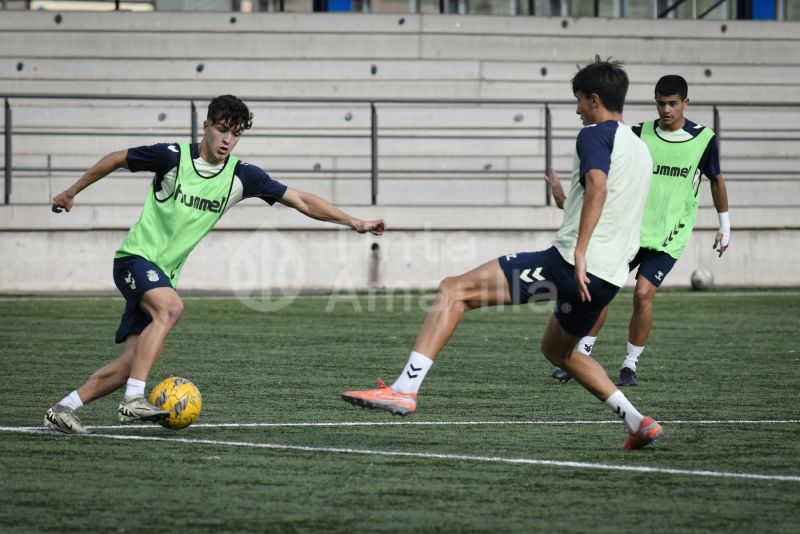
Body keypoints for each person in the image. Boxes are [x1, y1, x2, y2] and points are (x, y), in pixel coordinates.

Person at [342, 57, 663, 450]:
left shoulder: (595, 135)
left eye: (578, 100)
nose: (576, 109)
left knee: (453, 290)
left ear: (594, 99)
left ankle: (404, 389)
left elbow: (598, 189)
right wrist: (567, 201)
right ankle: (637, 421)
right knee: (557, 351)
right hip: (609, 279)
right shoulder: (641, 149)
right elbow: (611, 206)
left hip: (570, 265)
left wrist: (578, 252)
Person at [45, 94, 385, 435]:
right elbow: (118, 158)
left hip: (163, 274)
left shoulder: (241, 176)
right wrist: (72, 191)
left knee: (131, 364)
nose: (227, 140)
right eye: (222, 130)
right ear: (205, 126)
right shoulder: (172, 156)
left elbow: (301, 200)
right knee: (171, 310)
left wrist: (353, 222)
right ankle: (134, 400)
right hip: (135, 259)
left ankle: (64, 408)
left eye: (235, 134)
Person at [550, 74, 730, 386]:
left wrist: (724, 226)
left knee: (643, 295)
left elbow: (716, 180)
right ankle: (580, 355)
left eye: (673, 104)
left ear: (685, 103)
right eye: (661, 103)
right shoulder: (638, 134)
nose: (666, 109)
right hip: (630, 230)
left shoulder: (704, 139)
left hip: (667, 236)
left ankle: (629, 365)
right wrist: (570, 202)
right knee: (598, 293)